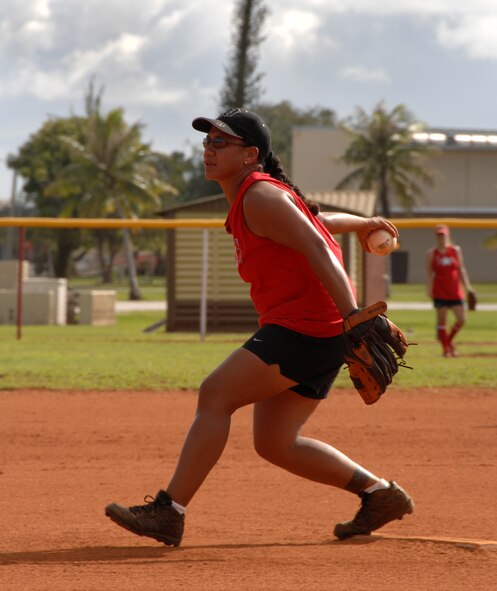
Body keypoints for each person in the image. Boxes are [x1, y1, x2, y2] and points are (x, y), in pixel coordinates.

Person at [105, 108, 414, 546]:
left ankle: (168, 511)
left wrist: (353, 316)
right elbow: (318, 225)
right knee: (276, 442)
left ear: (251, 155)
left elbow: (313, 246)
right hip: (318, 331)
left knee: (215, 394)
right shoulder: (258, 197)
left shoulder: (259, 196)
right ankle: (379, 494)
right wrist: (361, 224)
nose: (208, 151)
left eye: (220, 143)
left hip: (305, 328)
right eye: (207, 142)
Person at [426, 224, 474, 357]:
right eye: (439, 235)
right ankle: (446, 350)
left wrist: (468, 286)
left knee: (462, 319)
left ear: (448, 235)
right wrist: (429, 288)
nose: (442, 237)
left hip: (454, 289)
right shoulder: (432, 253)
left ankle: (448, 341)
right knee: (442, 320)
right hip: (440, 290)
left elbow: (461, 269)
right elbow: (429, 272)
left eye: (444, 234)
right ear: (436, 237)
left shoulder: (455, 250)